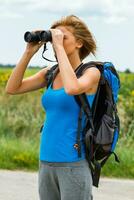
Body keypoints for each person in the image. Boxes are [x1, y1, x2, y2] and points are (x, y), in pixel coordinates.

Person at [6, 15, 101, 200]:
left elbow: (72, 88)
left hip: (73, 162)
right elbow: (12, 88)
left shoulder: (91, 73)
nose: (57, 40)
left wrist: (58, 46)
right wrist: (29, 52)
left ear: (79, 43)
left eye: (63, 37)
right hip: (46, 160)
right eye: (55, 37)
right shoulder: (50, 73)